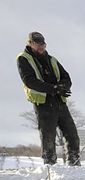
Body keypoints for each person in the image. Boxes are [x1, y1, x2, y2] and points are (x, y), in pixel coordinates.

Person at [16, 31, 80, 165]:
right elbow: (29, 81)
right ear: (30, 44)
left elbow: (66, 77)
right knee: (48, 137)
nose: (41, 47)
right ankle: (51, 168)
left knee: (72, 135)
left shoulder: (52, 60)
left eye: (43, 44)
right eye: (37, 44)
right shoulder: (23, 58)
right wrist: (54, 89)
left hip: (60, 102)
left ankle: (74, 164)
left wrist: (63, 88)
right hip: (43, 103)